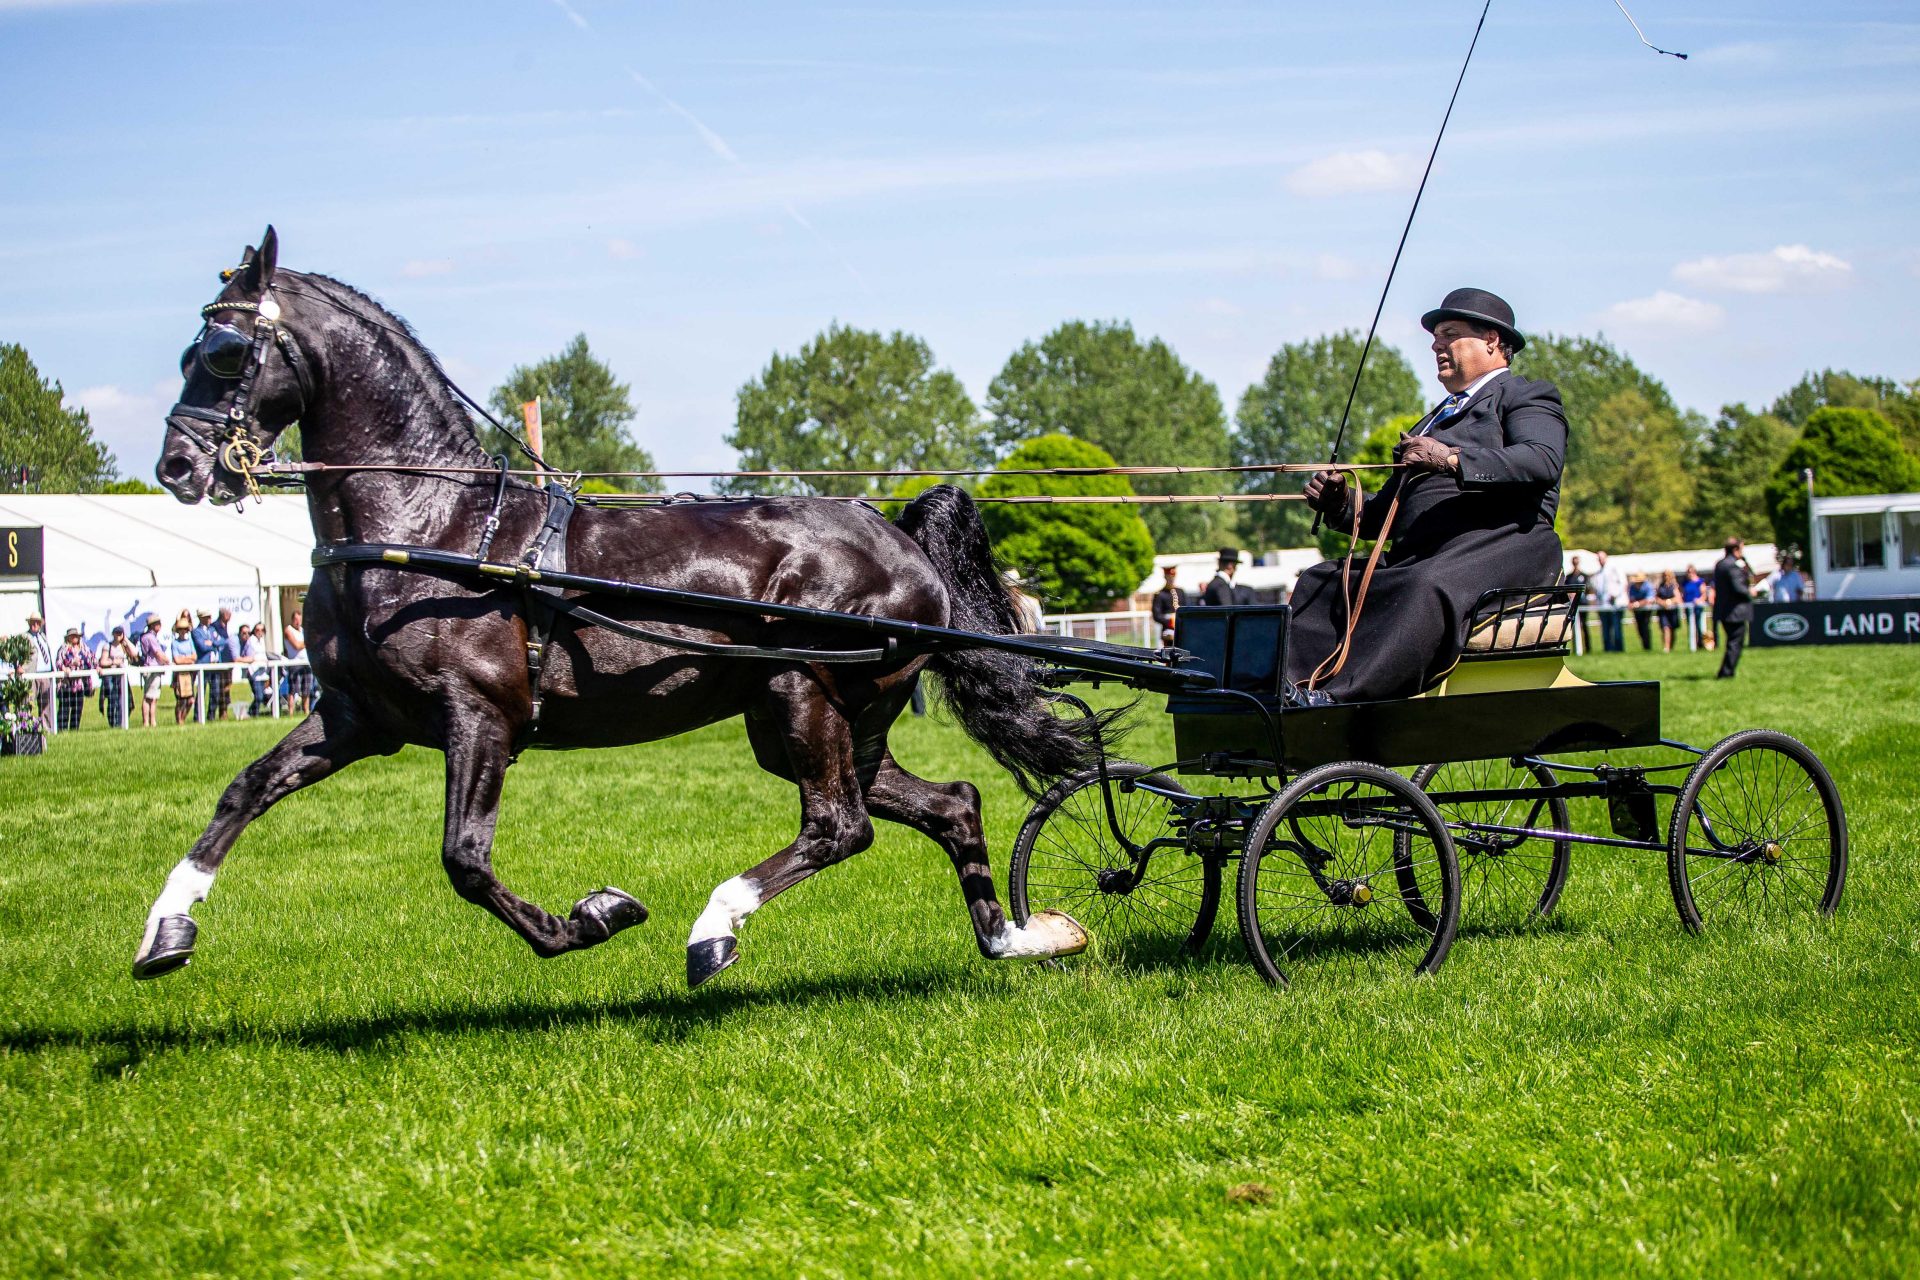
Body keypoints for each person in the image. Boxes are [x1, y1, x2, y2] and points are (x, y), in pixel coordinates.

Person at [1294, 287, 1566, 702]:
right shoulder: (1430, 421)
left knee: (1424, 584)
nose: (1437, 345)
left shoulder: (1525, 395)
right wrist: (1341, 502)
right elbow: (1379, 517)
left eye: (1450, 334)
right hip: (1428, 553)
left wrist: (1451, 460)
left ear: (1492, 340)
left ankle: (1347, 698)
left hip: (1504, 546)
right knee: (1323, 579)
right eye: (1435, 338)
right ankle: (1294, 687)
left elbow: (1541, 460)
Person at [1713, 537, 1754, 679]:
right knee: (1735, 643)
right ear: (1736, 549)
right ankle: (1726, 673)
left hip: (1724, 611)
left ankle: (1724, 671)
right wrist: (1751, 592)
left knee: (1732, 642)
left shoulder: (1720, 564)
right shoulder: (1732, 565)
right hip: (1735, 612)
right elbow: (1739, 588)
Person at [53, 626, 95, 732]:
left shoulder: (84, 648)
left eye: (76, 636)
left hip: (80, 684)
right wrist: (67, 666)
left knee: (77, 709)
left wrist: (96, 667)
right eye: (72, 636)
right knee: (64, 709)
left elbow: (92, 659)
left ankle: (74, 731)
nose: (74, 638)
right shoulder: (63, 649)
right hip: (66, 685)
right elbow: (58, 662)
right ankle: (62, 730)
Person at [96, 625, 138, 728]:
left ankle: (121, 722)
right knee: (112, 700)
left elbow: (135, 653)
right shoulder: (108, 646)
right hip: (111, 676)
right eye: (117, 633)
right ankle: (113, 723)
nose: (118, 635)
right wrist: (114, 661)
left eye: (121, 633)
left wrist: (126, 640)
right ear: (113, 634)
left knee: (124, 700)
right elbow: (103, 661)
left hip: (122, 677)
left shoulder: (124, 646)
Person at [1588, 551, 1626, 652]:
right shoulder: (1599, 573)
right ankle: (1608, 648)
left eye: (1602, 558)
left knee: (1616, 629)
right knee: (1605, 629)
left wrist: (1615, 594)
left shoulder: (1614, 568)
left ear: (1606, 558)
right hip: (1603, 605)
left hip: (1615, 605)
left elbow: (1623, 583)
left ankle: (1618, 649)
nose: (1600, 560)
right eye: (1598, 558)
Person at [23, 611, 54, 724]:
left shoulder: (43, 637)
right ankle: (25, 725)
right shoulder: (25, 637)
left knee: (46, 703)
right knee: (28, 702)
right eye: (33, 622)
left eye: (37, 622)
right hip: (32, 674)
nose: (35, 625)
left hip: (46, 674)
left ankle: (46, 727)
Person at [137, 616, 169, 728]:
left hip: (150, 668)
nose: (160, 625)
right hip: (152, 669)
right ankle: (149, 722)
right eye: (157, 623)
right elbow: (158, 653)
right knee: (150, 697)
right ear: (152, 625)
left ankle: (150, 722)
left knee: (152, 696)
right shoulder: (150, 638)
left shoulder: (146, 637)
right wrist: (168, 662)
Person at [170, 612, 200, 725]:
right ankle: (179, 721)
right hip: (179, 675)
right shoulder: (175, 643)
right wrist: (188, 659)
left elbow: (194, 656)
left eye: (185, 629)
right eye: (181, 629)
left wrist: (184, 659)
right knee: (180, 700)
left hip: (189, 673)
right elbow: (177, 660)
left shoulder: (190, 641)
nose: (183, 631)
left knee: (190, 700)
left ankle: (183, 718)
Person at [1150, 565, 1187, 648]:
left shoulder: (1180, 592)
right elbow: (1157, 615)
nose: (1171, 579)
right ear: (1165, 577)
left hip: (1181, 629)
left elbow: (1187, 608)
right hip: (1168, 631)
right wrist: (1170, 620)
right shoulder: (1160, 594)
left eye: (1173, 577)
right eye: (1169, 577)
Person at [1562, 555, 1592, 652]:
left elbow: (1588, 589)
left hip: (1583, 603)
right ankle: (1576, 648)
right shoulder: (1569, 577)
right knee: (1573, 627)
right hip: (1573, 605)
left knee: (1585, 625)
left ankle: (1588, 648)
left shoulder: (1584, 576)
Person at [283, 609, 310, 713]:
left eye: (299, 619)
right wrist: (309, 641)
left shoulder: (303, 631)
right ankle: (291, 711)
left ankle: (306, 710)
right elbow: (297, 645)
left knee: (306, 689)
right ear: (292, 619)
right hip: (294, 663)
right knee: (293, 689)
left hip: (306, 663)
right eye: (295, 619)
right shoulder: (288, 630)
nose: (298, 622)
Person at [1654, 570, 1682, 653]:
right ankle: (1666, 647)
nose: (1666, 577)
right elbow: (1656, 598)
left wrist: (1669, 602)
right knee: (1665, 628)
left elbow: (1678, 598)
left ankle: (1671, 646)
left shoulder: (1674, 586)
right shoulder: (1660, 586)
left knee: (1672, 630)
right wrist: (1662, 603)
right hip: (1663, 611)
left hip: (1672, 611)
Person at [1627, 573, 1656, 650]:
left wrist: (1637, 604)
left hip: (1646, 610)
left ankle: (1647, 647)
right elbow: (1631, 598)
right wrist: (1632, 604)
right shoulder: (1632, 587)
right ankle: (1645, 646)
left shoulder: (1648, 586)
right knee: (1639, 628)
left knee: (1645, 627)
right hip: (1637, 611)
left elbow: (1649, 599)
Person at [1680, 566, 1706, 650]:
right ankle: (1693, 643)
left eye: (1691, 572)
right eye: (1688, 572)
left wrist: (1700, 600)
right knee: (1690, 626)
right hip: (1688, 607)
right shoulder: (1685, 583)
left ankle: (1701, 643)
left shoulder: (1700, 581)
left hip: (1697, 607)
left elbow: (1704, 593)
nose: (1689, 574)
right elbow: (1683, 593)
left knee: (1699, 625)